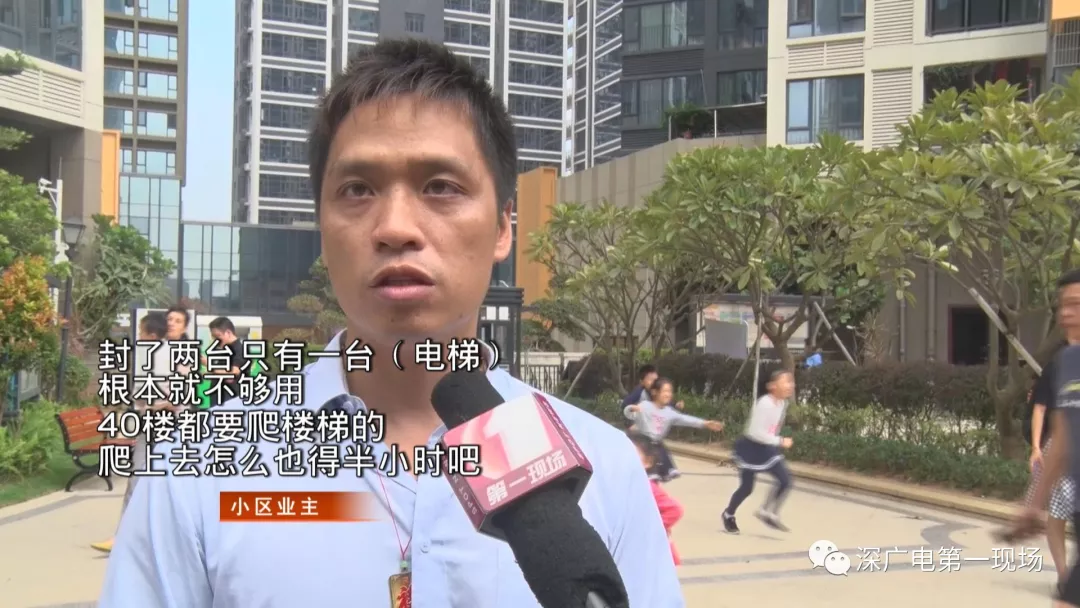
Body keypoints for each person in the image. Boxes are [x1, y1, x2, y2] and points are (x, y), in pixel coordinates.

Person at [100, 39, 683, 607]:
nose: (395, 227)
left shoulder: (604, 468)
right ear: (322, 227)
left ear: (504, 227)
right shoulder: (197, 473)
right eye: (357, 190)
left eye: (441, 187)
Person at [1010, 269, 1080, 606]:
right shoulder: (1067, 361)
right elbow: (1063, 436)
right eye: (1061, 305)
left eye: (1075, 304)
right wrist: (1034, 506)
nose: (1065, 313)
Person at [91, 311, 176, 554]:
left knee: (151, 483)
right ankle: (124, 538)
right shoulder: (148, 357)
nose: (139, 336)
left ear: (152, 335)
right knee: (138, 481)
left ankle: (143, 539)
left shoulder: (168, 358)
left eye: (141, 332)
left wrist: (153, 407)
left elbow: (177, 398)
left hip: (163, 427)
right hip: (149, 426)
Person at [722, 368, 796, 534]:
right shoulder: (765, 403)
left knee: (785, 480)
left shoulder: (782, 403)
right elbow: (755, 432)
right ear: (772, 386)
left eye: (791, 382)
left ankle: (767, 512)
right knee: (747, 488)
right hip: (750, 448)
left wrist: (775, 441)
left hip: (767, 448)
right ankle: (728, 514)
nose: (790, 385)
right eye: (786, 382)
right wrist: (780, 441)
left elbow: (771, 429)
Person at [625, 377, 723, 482]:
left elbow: (686, 419)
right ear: (654, 392)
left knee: (656, 476)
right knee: (646, 476)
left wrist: (705, 423)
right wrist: (631, 409)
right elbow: (629, 414)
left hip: (657, 445)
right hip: (643, 446)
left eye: (670, 391)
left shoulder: (670, 413)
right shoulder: (645, 406)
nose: (668, 394)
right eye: (665, 391)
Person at [628, 431, 684, 566]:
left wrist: (649, 527)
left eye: (631, 454)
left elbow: (674, 509)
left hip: (653, 552)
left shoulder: (647, 487)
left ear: (648, 461)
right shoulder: (624, 484)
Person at [205, 316, 246, 406]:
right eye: (213, 336)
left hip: (230, 403)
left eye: (217, 336)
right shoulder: (223, 350)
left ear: (228, 332)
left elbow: (232, 373)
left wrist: (208, 364)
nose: (215, 340)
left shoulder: (240, 349)